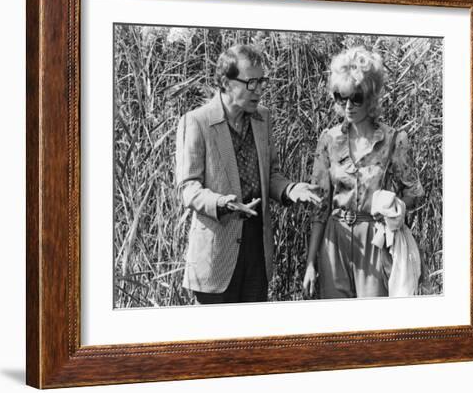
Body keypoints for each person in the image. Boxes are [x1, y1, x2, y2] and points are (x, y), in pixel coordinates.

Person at [176, 44, 321, 305]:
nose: (259, 90)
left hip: (256, 251)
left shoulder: (262, 118)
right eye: (250, 83)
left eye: (261, 82)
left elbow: (272, 175)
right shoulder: (196, 121)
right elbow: (188, 188)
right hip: (215, 257)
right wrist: (222, 203)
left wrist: (290, 190)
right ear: (225, 83)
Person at [303, 46, 424, 299]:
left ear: (371, 97)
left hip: (374, 238)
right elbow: (319, 207)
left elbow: (414, 192)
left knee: (373, 324)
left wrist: (395, 206)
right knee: (337, 327)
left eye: (356, 98)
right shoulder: (328, 139)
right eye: (340, 96)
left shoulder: (393, 140)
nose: (348, 105)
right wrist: (311, 263)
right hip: (333, 240)